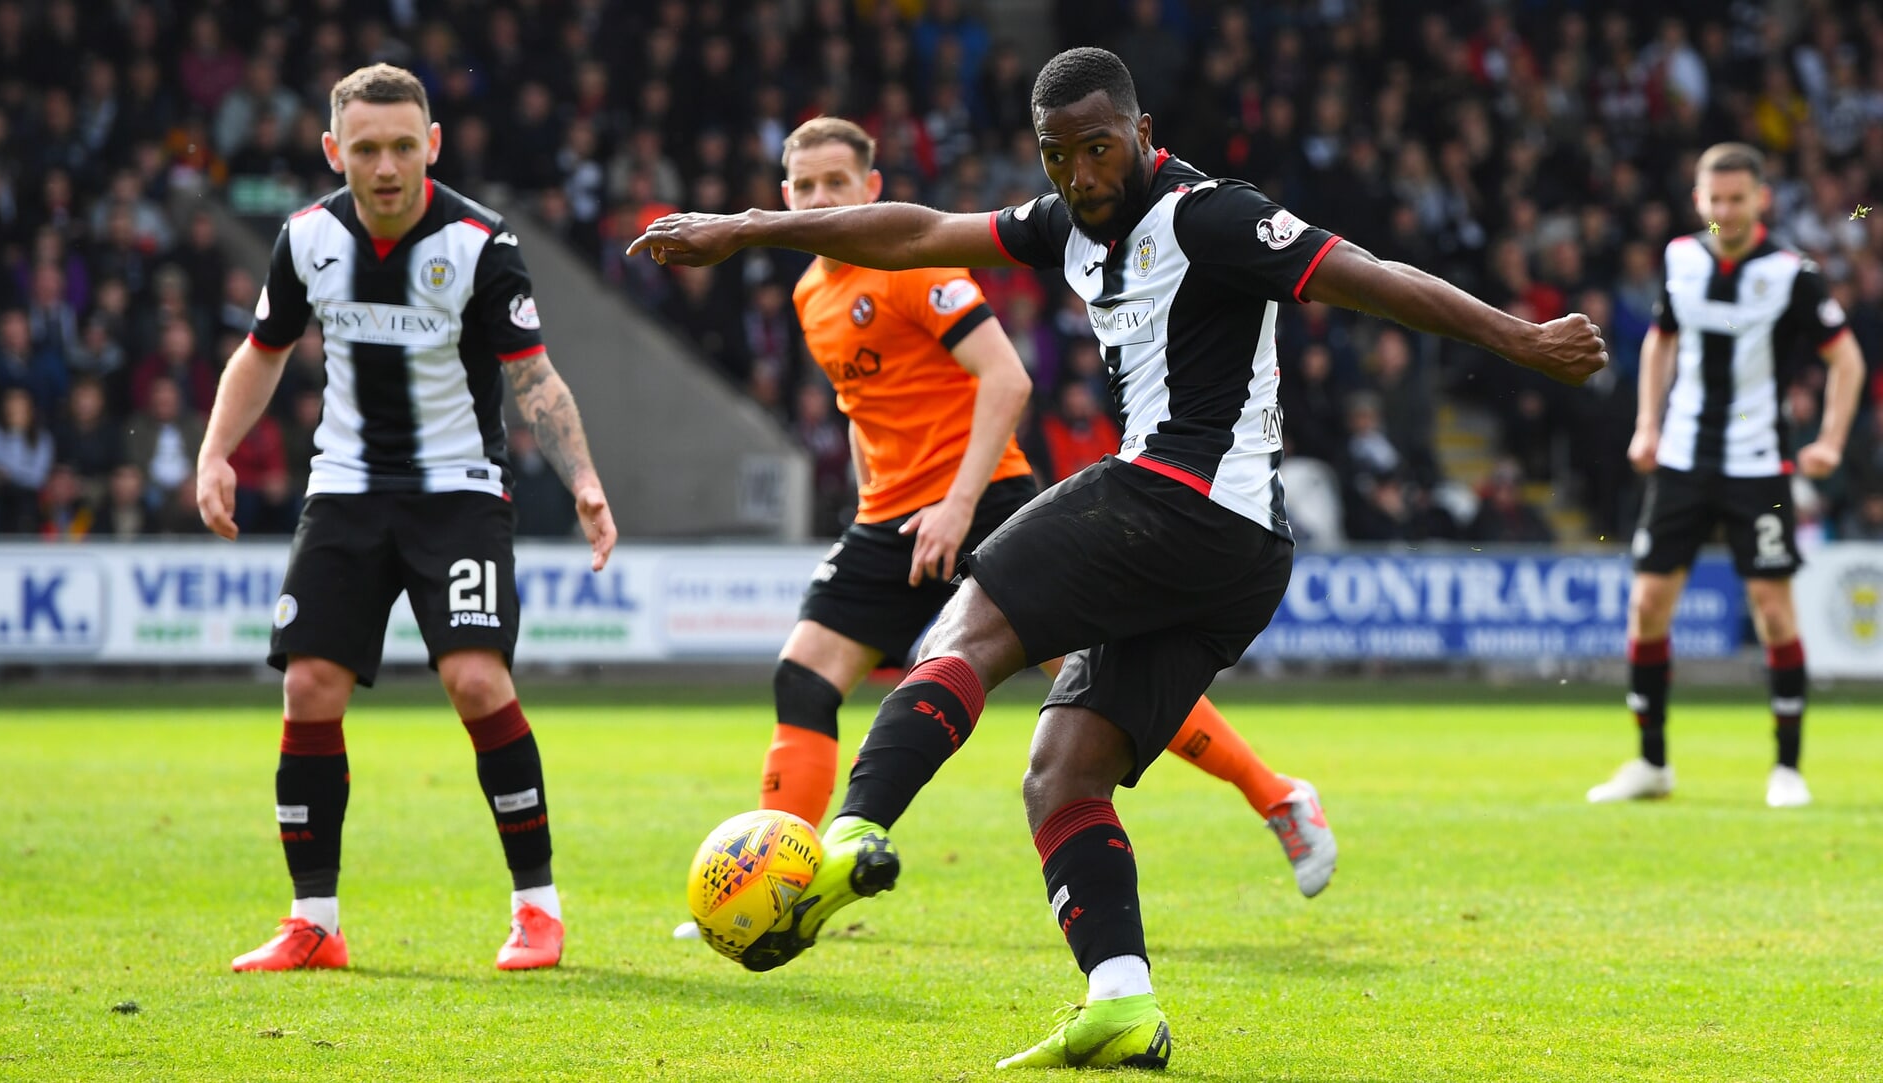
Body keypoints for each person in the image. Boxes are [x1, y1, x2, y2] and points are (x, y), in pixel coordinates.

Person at [632, 48, 1603, 1071]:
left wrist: (1521, 341)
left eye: (1099, 151)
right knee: (1061, 775)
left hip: (1181, 494)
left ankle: (847, 836)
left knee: (970, 625)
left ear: (1141, 135)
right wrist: (745, 229)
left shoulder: (1210, 215)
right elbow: (915, 231)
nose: (1081, 176)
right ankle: (1123, 1003)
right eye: (1059, 157)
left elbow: (1371, 278)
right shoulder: (1065, 223)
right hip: (1237, 553)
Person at [670, 117, 1335, 944]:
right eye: (803, 188)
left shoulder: (918, 275)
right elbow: (861, 408)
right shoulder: (812, 294)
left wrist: (956, 500)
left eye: (835, 185)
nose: (818, 200)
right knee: (803, 679)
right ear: (784, 196)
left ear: (869, 190)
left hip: (976, 497)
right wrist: (871, 492)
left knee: (1094, 681)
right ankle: (777, 883)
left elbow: (1006, 376)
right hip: (889, 518)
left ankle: (1277, 795)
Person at [198, 64, 617, 973]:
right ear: (332, 151)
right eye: (365, 148)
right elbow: (262, 352)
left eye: (401, 146)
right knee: (308, 687)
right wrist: (214, 451)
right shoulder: (307, 237)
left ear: (430, 144)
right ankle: (315, 921)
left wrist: (581, 476)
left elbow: (532, 376)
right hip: (344, 488)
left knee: (475, 679)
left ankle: (537, 909)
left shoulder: (478, 241)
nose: (384, 166)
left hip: (457, 491)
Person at [1588, 143, 1864, 809]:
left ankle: (1788, 768)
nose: (1726, 210)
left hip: (1757, 462)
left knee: (1773, 611)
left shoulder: (1792, 272)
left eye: (1738, 198)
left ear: (1761, 199)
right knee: (1648, 606)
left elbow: (1846, 360)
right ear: (1699, 201)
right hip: (1682, 457)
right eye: (1715, 199)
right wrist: (1648, 423)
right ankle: (1652, 762)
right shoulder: (1681, 259)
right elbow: (1662, 339)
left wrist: (1828, 441)